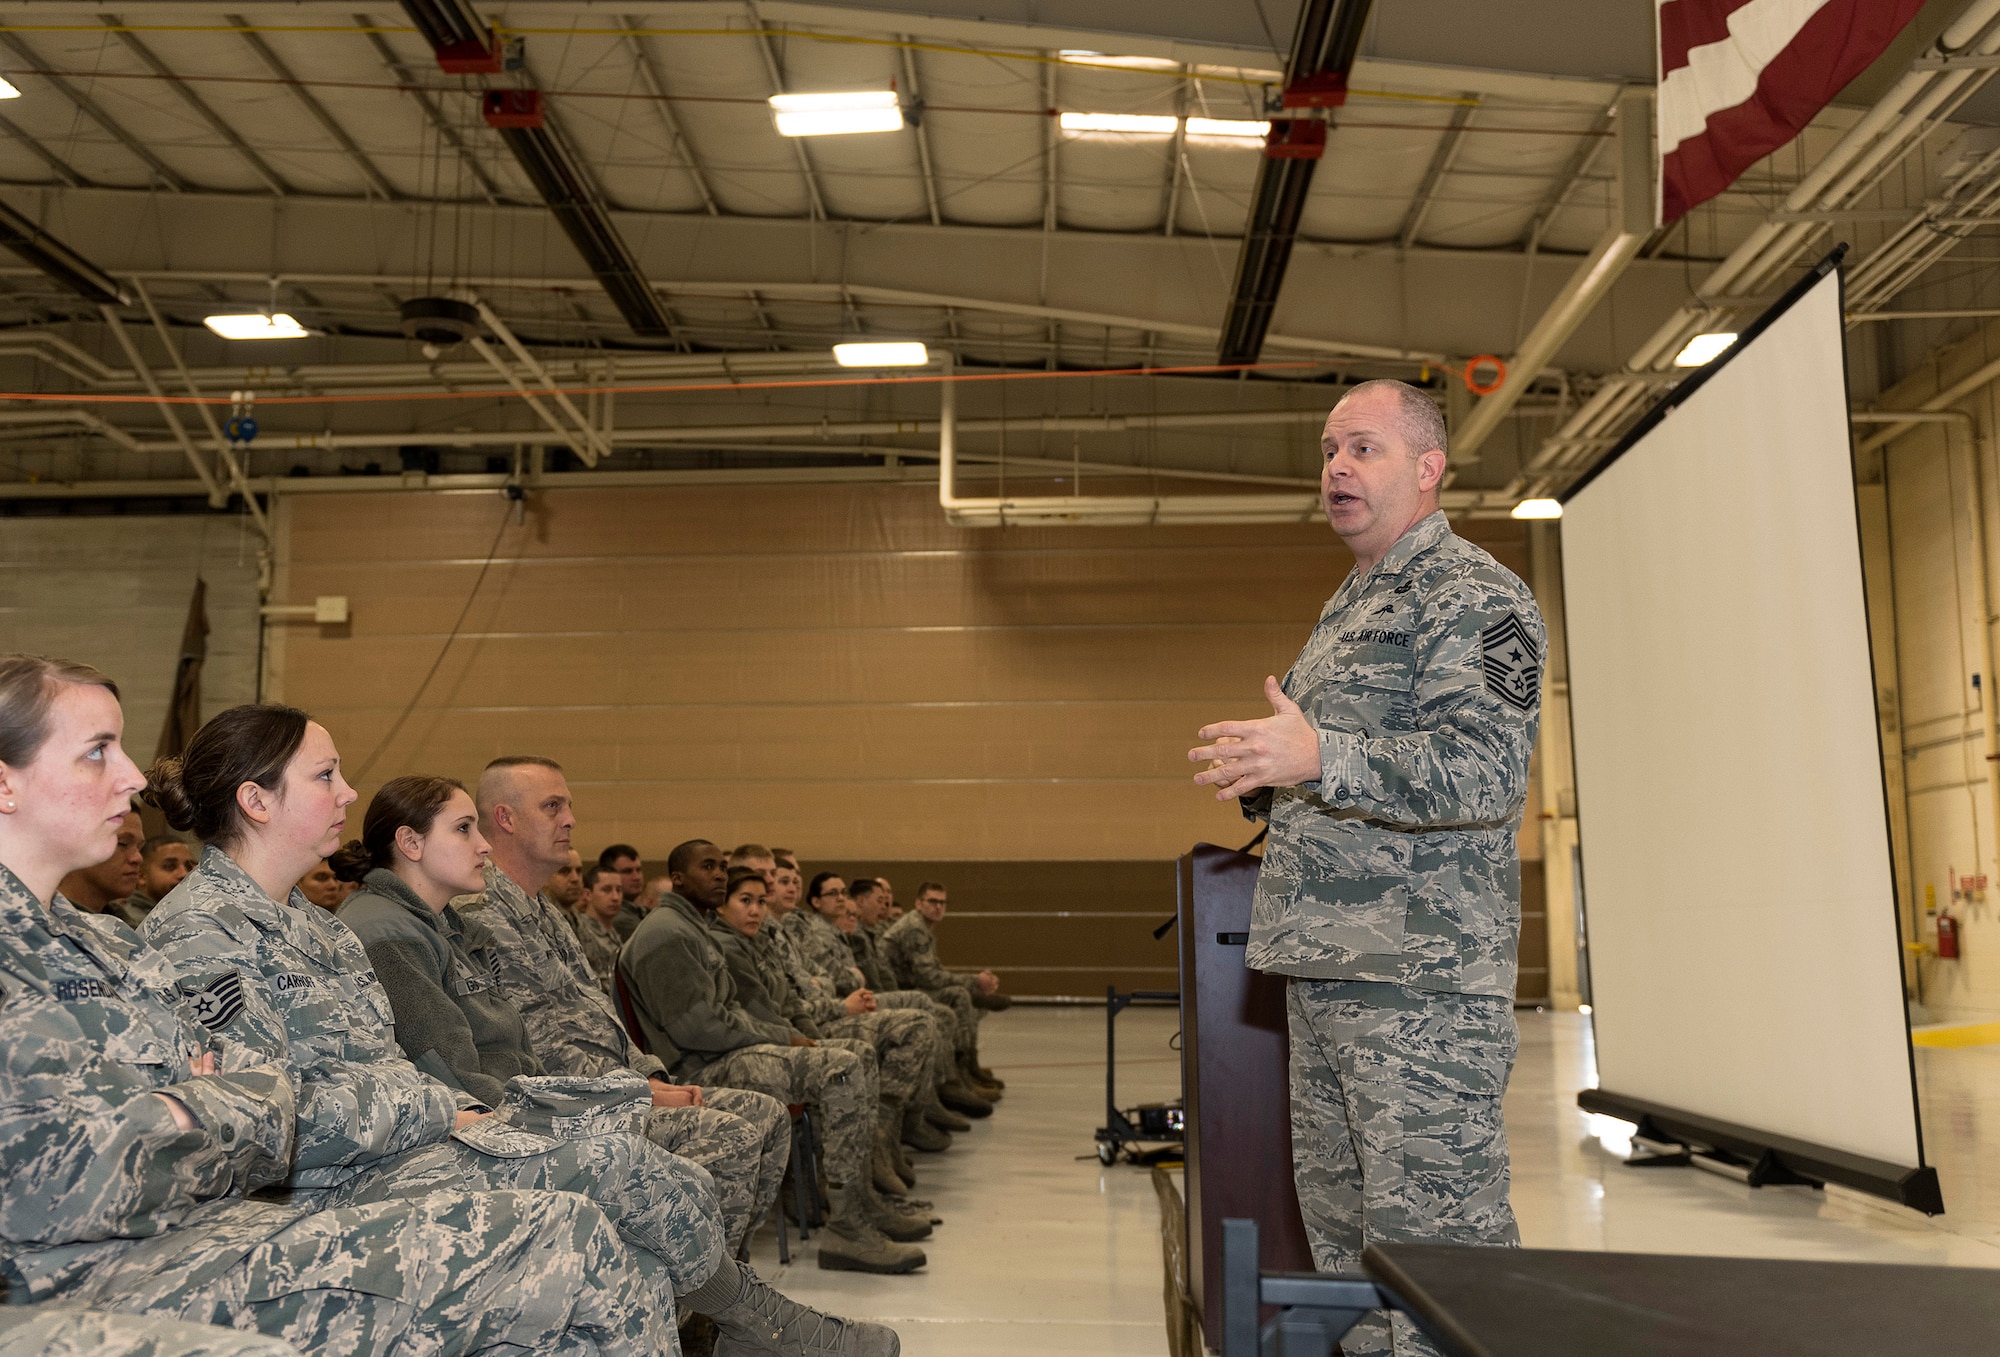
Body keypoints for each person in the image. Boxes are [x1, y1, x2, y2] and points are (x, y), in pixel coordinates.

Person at [140, 709, 893, 1357]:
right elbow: (267, 1120)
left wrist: (428, 1107)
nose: (348, 793)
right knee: (612, 1177)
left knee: (661, 1200)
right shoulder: (201, 934)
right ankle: (769, 1327)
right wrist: (433, 1109)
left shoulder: (318, 930)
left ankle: (747, 1328)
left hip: (404, 1149)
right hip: (323, 1190)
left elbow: (384, 1069)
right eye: (326, 776)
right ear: (256, 800)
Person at [0, 654, 673, 1355]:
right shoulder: (184, 934)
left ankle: (740, 1311)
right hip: (105, 1268)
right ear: (6, 782)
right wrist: (203, 1106)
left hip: (207, 1224)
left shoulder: (106, 942)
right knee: (562, 1236)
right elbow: (88, 1169)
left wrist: (197, 1107)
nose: (133, 776)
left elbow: (235, 1116)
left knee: (577, 1241)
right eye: (97, 752)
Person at [1187, 378, 1544, 1357]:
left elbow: (1482, 771)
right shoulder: (1349, 604)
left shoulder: (1474, 595)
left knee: (1439, 1260)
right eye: (1326, 450)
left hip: (1419, 983)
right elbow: (1342, 762)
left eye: (1361, 448)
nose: (1334, 468)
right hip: (1329, 972)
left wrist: (1316, 759)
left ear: (1427, 469)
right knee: (1348, 1263)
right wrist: (1272, 781)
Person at [461, 756, 793, 1260]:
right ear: (505, 819)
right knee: (732, 1137)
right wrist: (636, 1093)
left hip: (615, 1086)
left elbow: (598, 1013)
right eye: (553, 806)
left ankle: (714, 1296)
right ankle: (696, 1309)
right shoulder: (482, 913)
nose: (570, 819)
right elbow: (538, 1045)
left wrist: (650, 1075)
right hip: (565, 1108)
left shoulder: (543, 909)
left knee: (767, 1115)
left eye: (568, 805)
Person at [622, 838, 932, 1273]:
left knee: (854, 1056)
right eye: (707, 867)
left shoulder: (690, 927)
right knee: (841, 1066)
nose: (719, 875)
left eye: (722, 868)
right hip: (697, 1067)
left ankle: (859, 1203)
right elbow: (700, 1029)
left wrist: (778, 1034)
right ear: (677, 878)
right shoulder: (666, 933)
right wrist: (780, 1037)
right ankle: (846, 1228)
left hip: (718, 1051)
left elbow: (730, 1014)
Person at [751, 850, 976, 1137]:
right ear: (816, 901)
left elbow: (828, 978)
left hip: (832, 1005)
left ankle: (918, 1107)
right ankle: (892, 1129)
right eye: (780, 879)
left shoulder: (787, 929)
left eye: (793, 879)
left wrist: (834, 989)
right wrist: (840, 1001)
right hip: (814, 1018)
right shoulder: (791, 928)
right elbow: (817, 986)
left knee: (925, 1007)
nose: (785, 886)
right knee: (916, 1020)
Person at [877, 880, 1009, 1090]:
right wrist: (974, 980)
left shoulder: (923, 926)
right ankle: (960, 1072)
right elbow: (929, 978)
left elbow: (933, 972)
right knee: (960, 996)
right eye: (932, 901)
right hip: (899, 993)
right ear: (919, 904)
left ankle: (967, 1067)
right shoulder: (914, 928)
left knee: (966, 996)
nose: (938, 907)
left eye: (942, 902)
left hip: (911, 988)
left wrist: (972, 982)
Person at [54, 806, 142, 919]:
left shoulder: (125, 926)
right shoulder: (41, 928)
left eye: (139, 847)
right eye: (122, 843)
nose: (137, 858)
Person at [114, 832, 195, 926]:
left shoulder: (180, 915)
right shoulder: (131, 924)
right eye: (170, 866)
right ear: (141, 876)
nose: (184, 874)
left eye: (188, 866)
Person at [573, 862, 625, 992]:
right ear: (587, 894)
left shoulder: (612, 932)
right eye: (606, 890)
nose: (615, 897)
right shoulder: (581, 930)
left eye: (619, 890)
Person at [600, 842, 647, 940]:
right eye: (627, 871)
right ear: (608, 875)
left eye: (638, 870)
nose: (636, 877)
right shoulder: (616, 918)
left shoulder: (641, 911)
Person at [544, 847, 585, 911]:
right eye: (565, 871)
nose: (575, 878)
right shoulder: (533, 918)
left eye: (578, 871)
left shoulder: (585, 920)